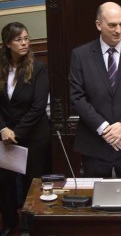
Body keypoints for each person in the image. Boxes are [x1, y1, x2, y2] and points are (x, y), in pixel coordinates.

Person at [69, 2, 121, 178]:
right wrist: (105, 129)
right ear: (99, 25)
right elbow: (77, 97)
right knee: (96, 203)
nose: (118, 30)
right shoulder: (81, 55)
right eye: (112, 25)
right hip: (95, 145)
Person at [0, 23, 50, 236]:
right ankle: (10, 223)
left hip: (34, 136)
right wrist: (3, 128)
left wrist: (16, 132)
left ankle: (29, 227)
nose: (24, 43)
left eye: (27, 39)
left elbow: (38, 107)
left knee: (32, 183)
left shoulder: (38, 68)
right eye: (19, 39)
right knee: (6, 184)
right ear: (7, 43)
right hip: (4, 137)